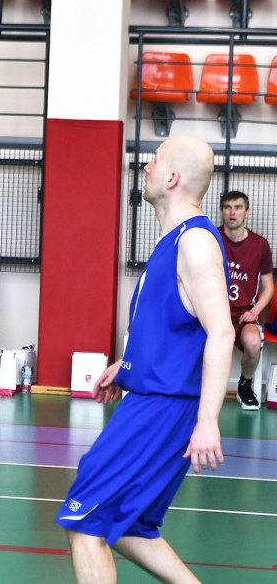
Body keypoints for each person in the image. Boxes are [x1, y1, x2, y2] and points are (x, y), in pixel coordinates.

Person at [56, 135, 234, 584]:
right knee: (131, 526)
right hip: (154, 399)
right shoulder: (173, 241)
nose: (145, 168)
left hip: (161, 409)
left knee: (84, 523)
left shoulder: (195, 242)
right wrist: (128, 364)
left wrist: (208, 421)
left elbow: (222, 331)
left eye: (153, 161)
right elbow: (175, 325)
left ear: (172, 178)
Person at [217, 190, 272, 411]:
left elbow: (268, 287)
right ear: (222, 212)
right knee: (191, 340)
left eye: (238, 207)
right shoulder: (211, 238)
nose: (233, 212)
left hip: (244, 314)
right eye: (228, 207)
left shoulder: (260, 245)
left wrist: (254, 311)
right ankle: (194, 389)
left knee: (252, 342)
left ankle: (245, 384)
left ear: (247, 212)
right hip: (214, 311)